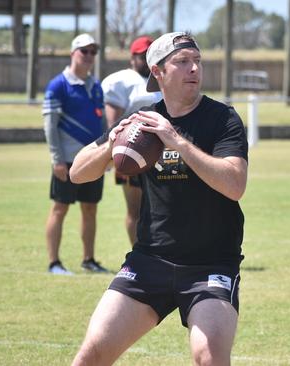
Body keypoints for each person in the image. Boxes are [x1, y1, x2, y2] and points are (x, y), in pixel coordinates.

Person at [69, 32, 248, 365]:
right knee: (91, 354)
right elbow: (77, 172)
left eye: (197, 61)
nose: (194, 68)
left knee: (208, 356)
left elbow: (235, 184)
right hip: (149, 261)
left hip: (210, 265)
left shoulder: (223, 120)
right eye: (182, 62)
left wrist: (175, 140)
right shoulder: (141, 122)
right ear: (158, 71)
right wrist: (112, 144)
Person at [43, 33, 109, 275]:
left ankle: (89, 260)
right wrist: (56, 159)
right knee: (60, 208)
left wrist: (105, 154)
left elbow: (102, 124)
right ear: (73, 53)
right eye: (85, 51)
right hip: (67, 161)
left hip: (93, 160)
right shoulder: (58, 85)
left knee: (90, 208)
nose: (89, 56)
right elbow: (50, 125)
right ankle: (54, 263)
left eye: (93, 52)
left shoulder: (97, 86)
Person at [101, 35, 162, 245]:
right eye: (142, 55)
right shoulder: (120, 81)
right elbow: (113, 123)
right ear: (132, 58)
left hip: (163, 152)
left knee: (165, 208)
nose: (146, 60)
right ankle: (139, 254)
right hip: (133, 148)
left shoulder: (163, 77)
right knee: (135, 210)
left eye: (150, 55)